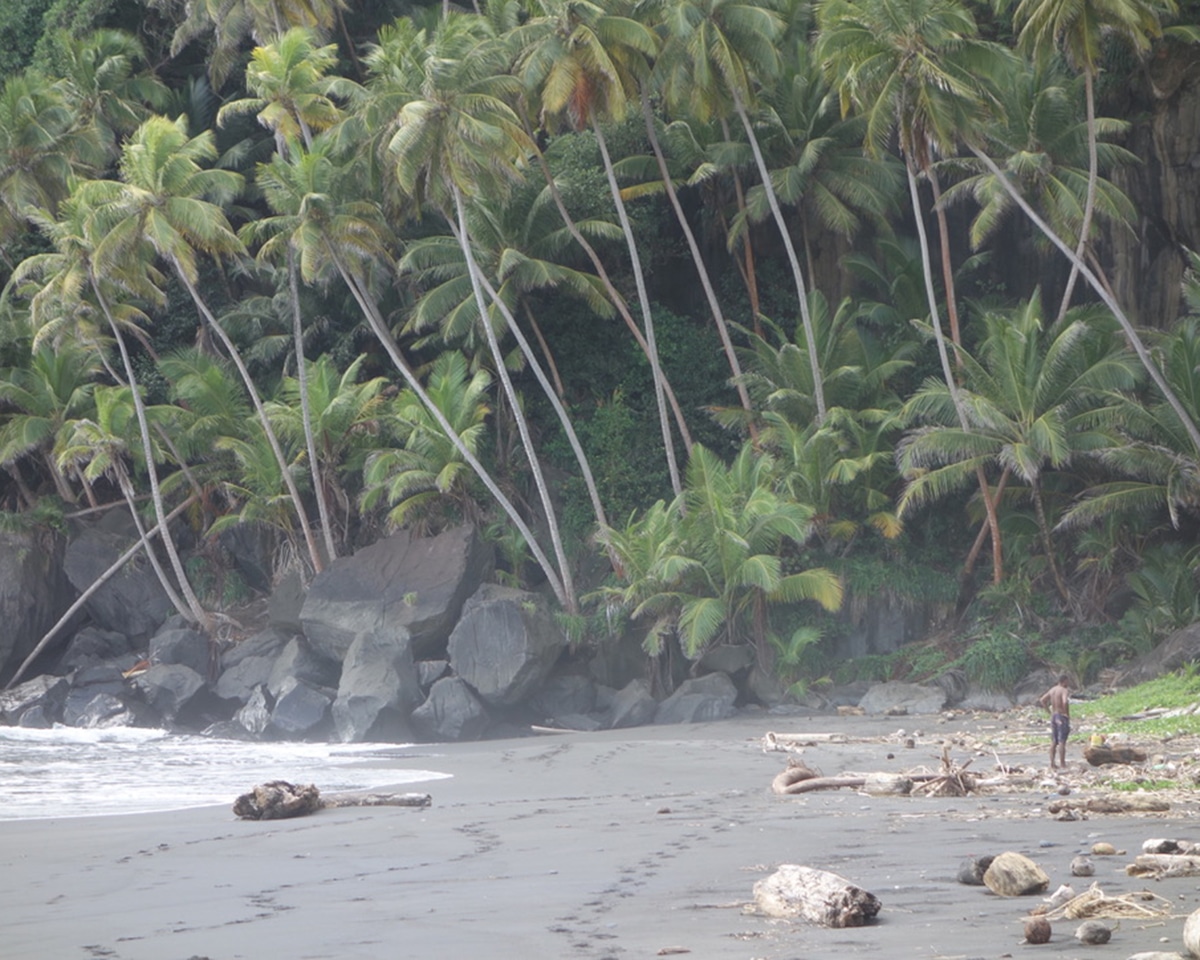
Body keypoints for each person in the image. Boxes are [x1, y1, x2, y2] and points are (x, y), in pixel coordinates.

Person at [1039, 674, 1071, 770]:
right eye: (1067, 681)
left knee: (1054, 741)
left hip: (1054, 716)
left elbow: (1042, 700)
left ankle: (1052, 763)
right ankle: (1062, 763)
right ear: (1064, 681)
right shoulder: (1064, 690)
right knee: (1062, 741)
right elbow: (1065, 702)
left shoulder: (1052, 690)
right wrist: (1066, 713)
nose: (1068, 683)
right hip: (1061, 716)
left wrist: (1049, 712)